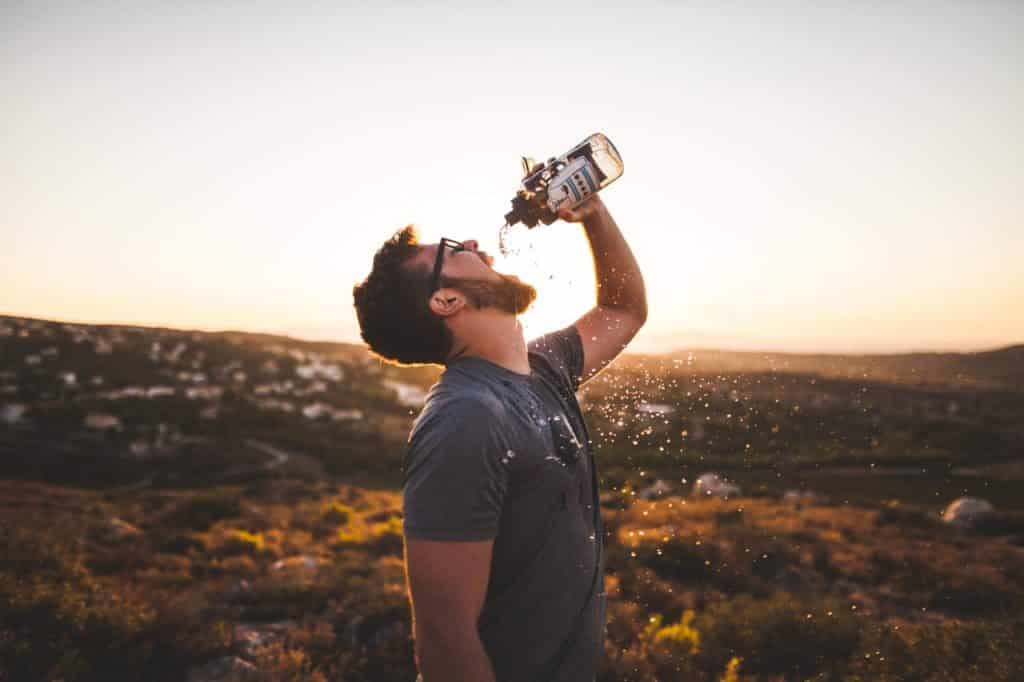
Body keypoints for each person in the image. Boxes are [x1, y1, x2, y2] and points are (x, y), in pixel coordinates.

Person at [352, 194, 646, 682]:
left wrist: (592, 213)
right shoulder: (465, 420)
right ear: (447, 301)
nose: (471, 242)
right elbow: (445, 641)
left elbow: (623, 309)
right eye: (452, 249)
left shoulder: (542, 369)